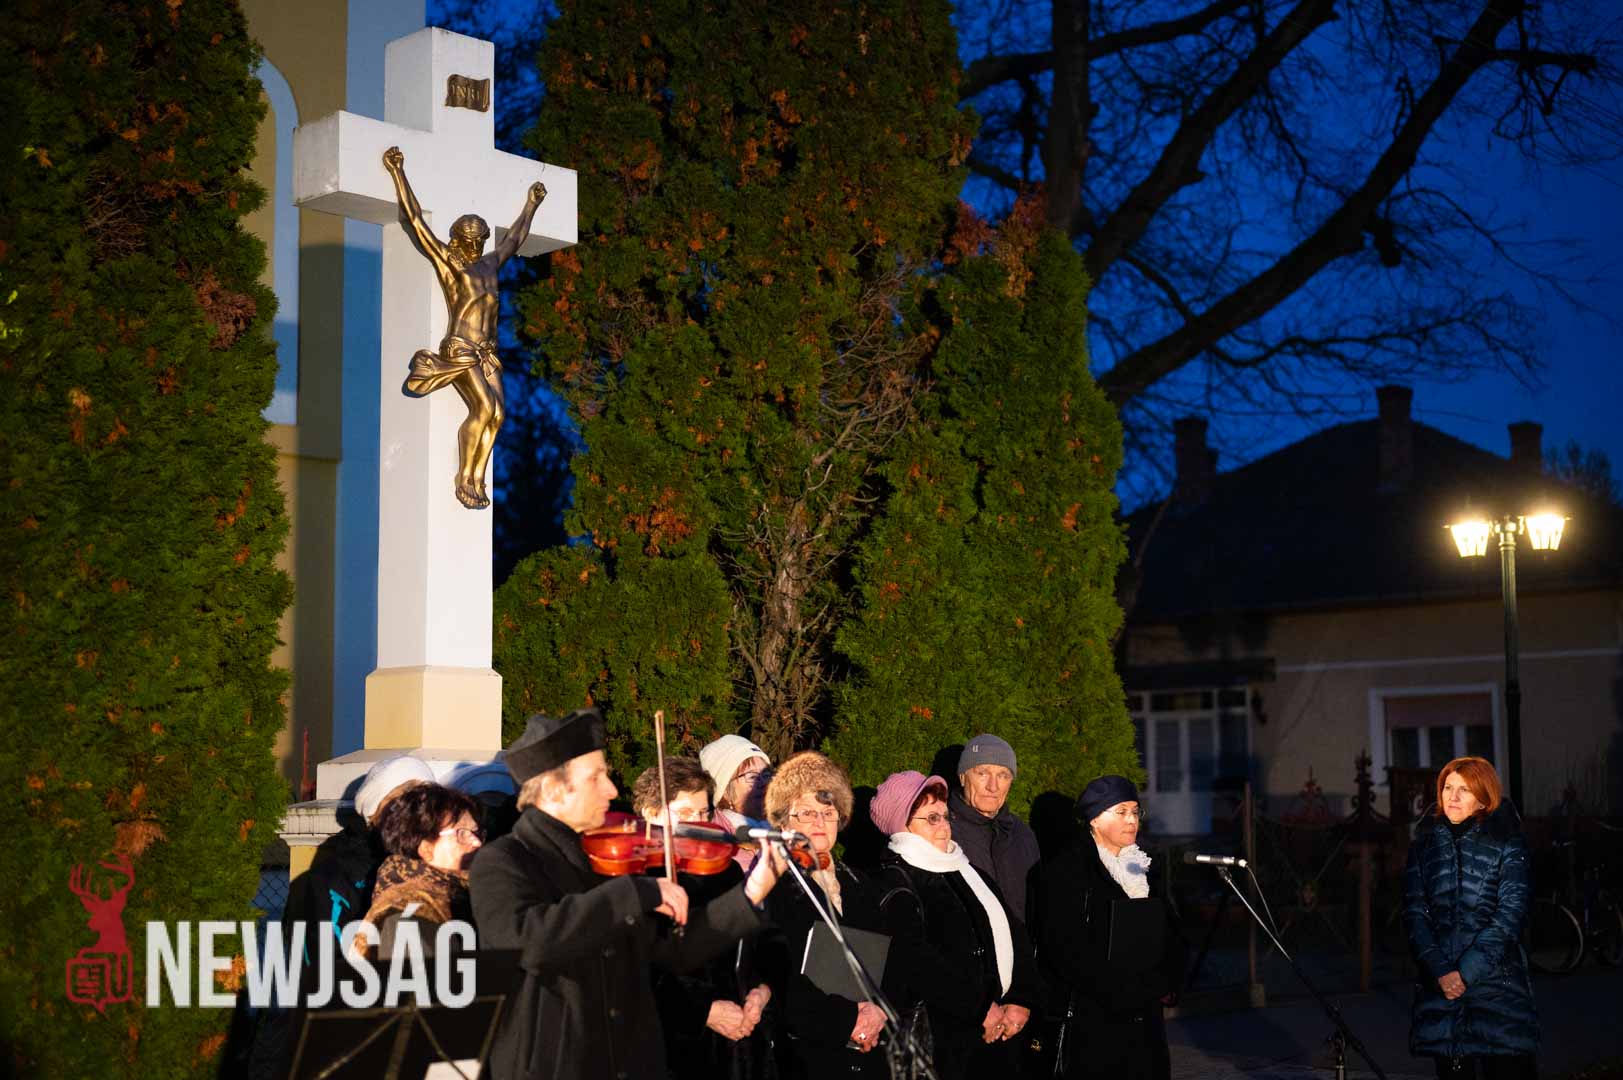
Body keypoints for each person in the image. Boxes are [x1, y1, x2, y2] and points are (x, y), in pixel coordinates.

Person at [469, 709, 788, 1080]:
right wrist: (633, 891)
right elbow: (529, 943)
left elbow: (675, 951)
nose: (611, 789)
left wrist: (750, 892)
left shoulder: (609, 860)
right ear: (554, 789)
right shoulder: (503, 860)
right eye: (596, 776)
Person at [381, 145, 546, 509]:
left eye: (479, 240)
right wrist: (398, 173)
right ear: (456, 239)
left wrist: (532, 205)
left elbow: (514, 239)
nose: (473, 246)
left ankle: (478, 477)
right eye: (468, 240)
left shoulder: (490, 263)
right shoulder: (450, 262)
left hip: (488, 352)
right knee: (484, 408)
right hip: (462, 347)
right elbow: (415, 222)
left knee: (499, 416)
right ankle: (465, 477)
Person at [869, 770, 1039, 1080]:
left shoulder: (966, 869)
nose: (944, 825)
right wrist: (980, 1008)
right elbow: (917, 961)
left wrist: (1020, 998)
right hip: (945, 1043)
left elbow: (1013, 930)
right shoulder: (895, 881)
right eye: (931, 818)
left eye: (945, 816)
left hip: (998, 1032)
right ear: (902, 825)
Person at [1030, 775, 1185, 1080]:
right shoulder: (1066, 870)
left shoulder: (1142, 866)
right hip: (1094, 1016)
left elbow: (1172, 930)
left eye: (1135, 811)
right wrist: (1123, 990)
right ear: (1095, 819)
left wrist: (1167, 981)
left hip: (1146, 1013)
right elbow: (1064, 947)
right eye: (1121, 812)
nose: (1132, 820)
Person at [631, 757, 775, 1079]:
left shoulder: (727, 871)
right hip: (673, 1050)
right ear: (651, 814)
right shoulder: (638, 880)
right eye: (684, 813)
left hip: (740, 1047)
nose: (698, 823)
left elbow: (766, 940)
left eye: (704, 813)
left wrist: (763, 990)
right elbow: (636, 971)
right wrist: (703, 1011)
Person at [760, 751, 895, 1078]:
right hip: (805, 1059)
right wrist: (849, 1020)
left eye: (828, 812)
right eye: (807, 813)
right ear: (784, 822)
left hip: (870, 1053)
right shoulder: (771, 885)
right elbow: (779, 980)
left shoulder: (859, 882)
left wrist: (878, 1014)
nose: (820, 823)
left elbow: (890, 960)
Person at [1402, 757, 1537, 1079]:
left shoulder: (1506, 842)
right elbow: (1415, 913)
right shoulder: (1424, 846)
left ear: (1484, 797)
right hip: (1443, 993)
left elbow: (1510, 915)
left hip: (1497, 992)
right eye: (1448, 787)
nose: (1453, 796)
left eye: (1464, 789)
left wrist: (1465, 973)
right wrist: (1441, 970)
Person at [353, 783, 483, 956]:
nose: (477, 842)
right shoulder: (408, 911)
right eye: (462, 833)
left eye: (476, 833)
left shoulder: (472, 894)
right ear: (426, 848)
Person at [948, 734, 1041, 925]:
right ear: (962, 777)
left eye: (1003, 775)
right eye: (982, 773)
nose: (993, 786)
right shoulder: (942, 832)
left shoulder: (1023, 835)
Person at [701, 733, 773, 871]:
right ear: (724, 791)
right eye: (752, 777)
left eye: (766, 775)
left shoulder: (779, 828)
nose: (764, 783)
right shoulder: (718, 843)